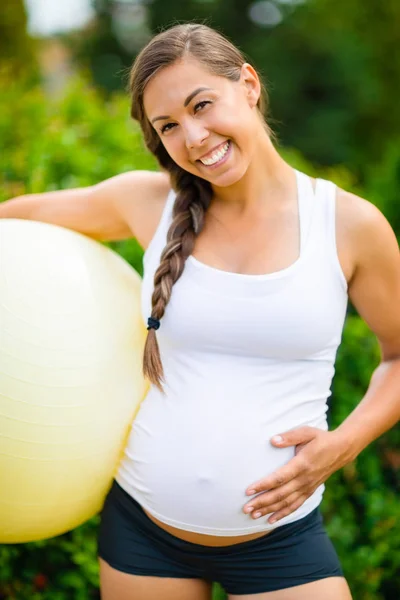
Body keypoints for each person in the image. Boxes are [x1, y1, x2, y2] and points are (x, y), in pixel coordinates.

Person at [1, 22, 400, 600]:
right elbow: (17, 221)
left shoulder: (349, 224)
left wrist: (345, 443)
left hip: (280, 541)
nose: (192, 137)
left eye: (202, 105)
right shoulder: (147, 203)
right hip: (142, 533)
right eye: (168, 126)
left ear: (249, 84)